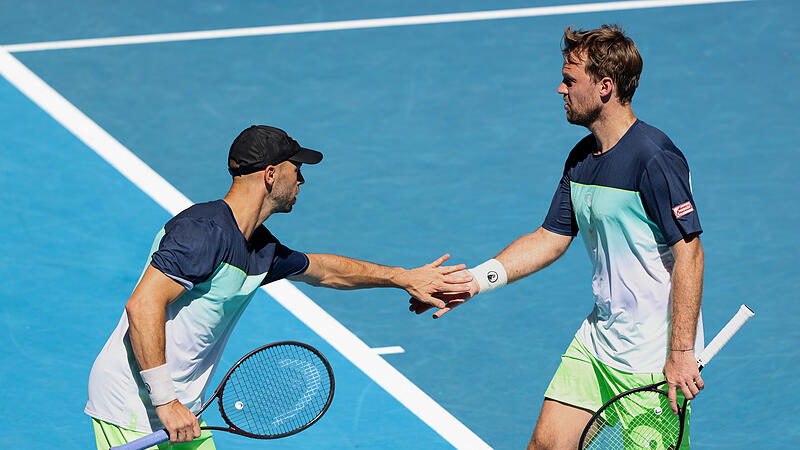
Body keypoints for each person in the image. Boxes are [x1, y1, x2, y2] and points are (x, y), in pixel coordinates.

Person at [85, 125, 474, 450]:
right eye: (296, 169)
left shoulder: (259, 248)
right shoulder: (203, 232)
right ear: (271, 174)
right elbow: (143, 305)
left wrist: (402, 277)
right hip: (135, 406)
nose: (301, 179)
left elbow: (326, 270)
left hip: (183, 408)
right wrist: (165, 401)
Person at [411, 25, 705, 449]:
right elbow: (550, 237)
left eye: (570, 80)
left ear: (605, 87)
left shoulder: (654, 159)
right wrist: (475, 280)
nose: (560, 89)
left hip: (652, 362)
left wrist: (680, 352)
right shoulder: (582, 158)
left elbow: (690, 253)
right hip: (598, 344)